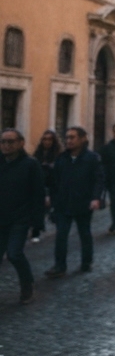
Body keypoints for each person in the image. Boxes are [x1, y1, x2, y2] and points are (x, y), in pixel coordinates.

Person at [45, 127, 105, 277]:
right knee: (61, 235)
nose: (69, 141)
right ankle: (59, 266)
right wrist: (50, 197)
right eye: (67, 138)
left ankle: (86, 261)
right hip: (63, 203)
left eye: (72, 137)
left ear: (82, 139)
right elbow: (54, 181)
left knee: (84, 233)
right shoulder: (62, 158)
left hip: (83, 202)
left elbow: (99, 180)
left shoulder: (92, 158)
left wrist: (95, 198)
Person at [0, 129, 43, 303]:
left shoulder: (30, 165)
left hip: (20, 218)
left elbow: (38, 194)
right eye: (3, 142)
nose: (6, 145)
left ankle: (27, 285)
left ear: (21, 143)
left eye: (10, 142)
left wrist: (37, 224)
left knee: (14, 254)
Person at [30, 129, 60, 242]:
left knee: (53, 209)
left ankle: (59, 228)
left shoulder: (58, 155)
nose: (47, 142)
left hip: (53, 186)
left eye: (49, 139)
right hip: (39, 184)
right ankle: (36, 231)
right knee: (38, 210)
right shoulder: (38, 154)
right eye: (44, 139)